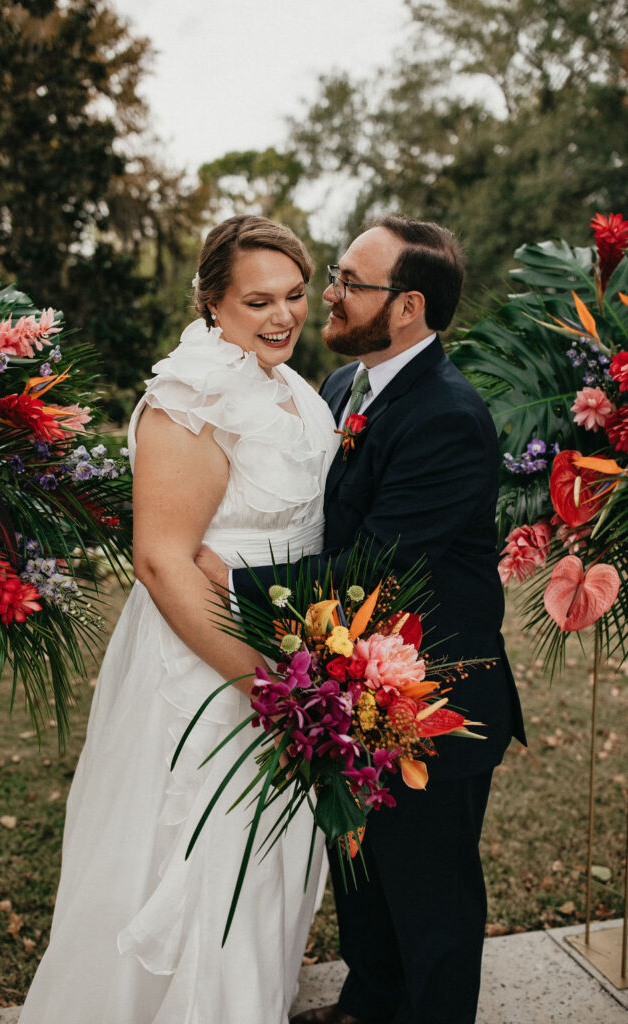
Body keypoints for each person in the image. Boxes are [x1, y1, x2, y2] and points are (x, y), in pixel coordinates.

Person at [196, 216, 527, 1024]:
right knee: (365, 871)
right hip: (356, 684)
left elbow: (373, 568)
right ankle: (367, 1003)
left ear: (407, 306)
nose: (329, 297)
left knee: (432, 896)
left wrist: (232, 582)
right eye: (335, 279)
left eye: (348, 282)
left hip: (434, 698)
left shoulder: (446, 415)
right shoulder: (345, 388)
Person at [17, 215, 339, 1024]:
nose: (282, 316)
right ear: (210, 303)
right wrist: (269, 688)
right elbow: (163, 561)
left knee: (266, 869)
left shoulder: (289, 386)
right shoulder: (187, 400)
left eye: (295, 295)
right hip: (209, 669)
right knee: (201, 864)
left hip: (293, 652)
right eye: (257, 300)